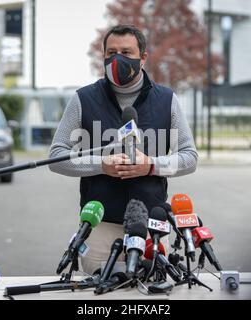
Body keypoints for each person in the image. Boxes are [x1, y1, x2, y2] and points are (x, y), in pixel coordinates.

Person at [49, 25, 198, 275]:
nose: (117, 58)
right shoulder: (83, 99)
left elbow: (190, 157)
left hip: (152, 228)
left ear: (143, 57)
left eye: (126, 52)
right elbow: (56, 157)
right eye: (111, 52)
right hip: (99, 227)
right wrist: (101, 164)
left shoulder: (167, 99)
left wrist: (150, 165)